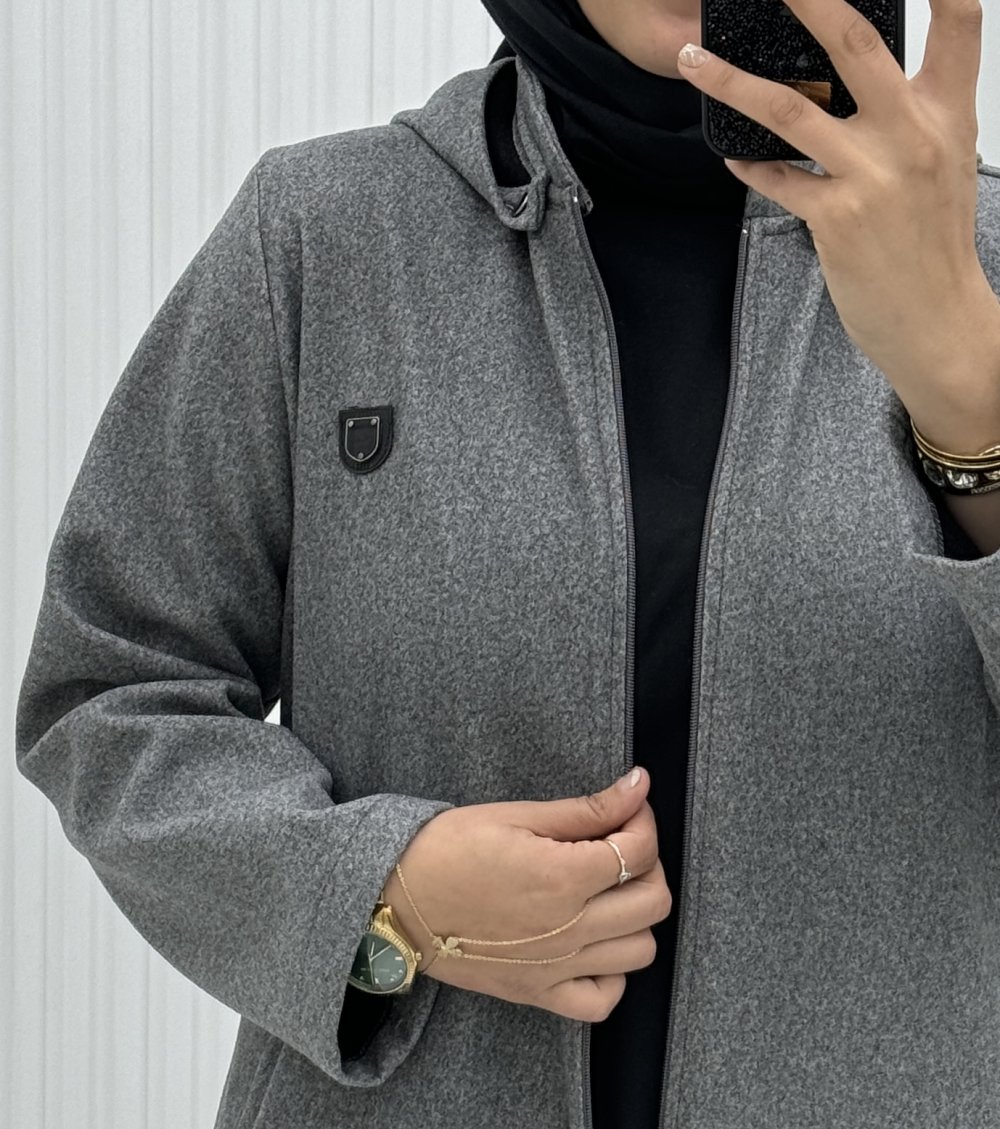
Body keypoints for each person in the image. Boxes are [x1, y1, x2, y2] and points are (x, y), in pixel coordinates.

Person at [14, 0, 1000, 1126]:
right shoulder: (324, 236)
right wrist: (386, 894)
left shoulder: (981, 261)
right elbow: (112, 690)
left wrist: (970, 390)